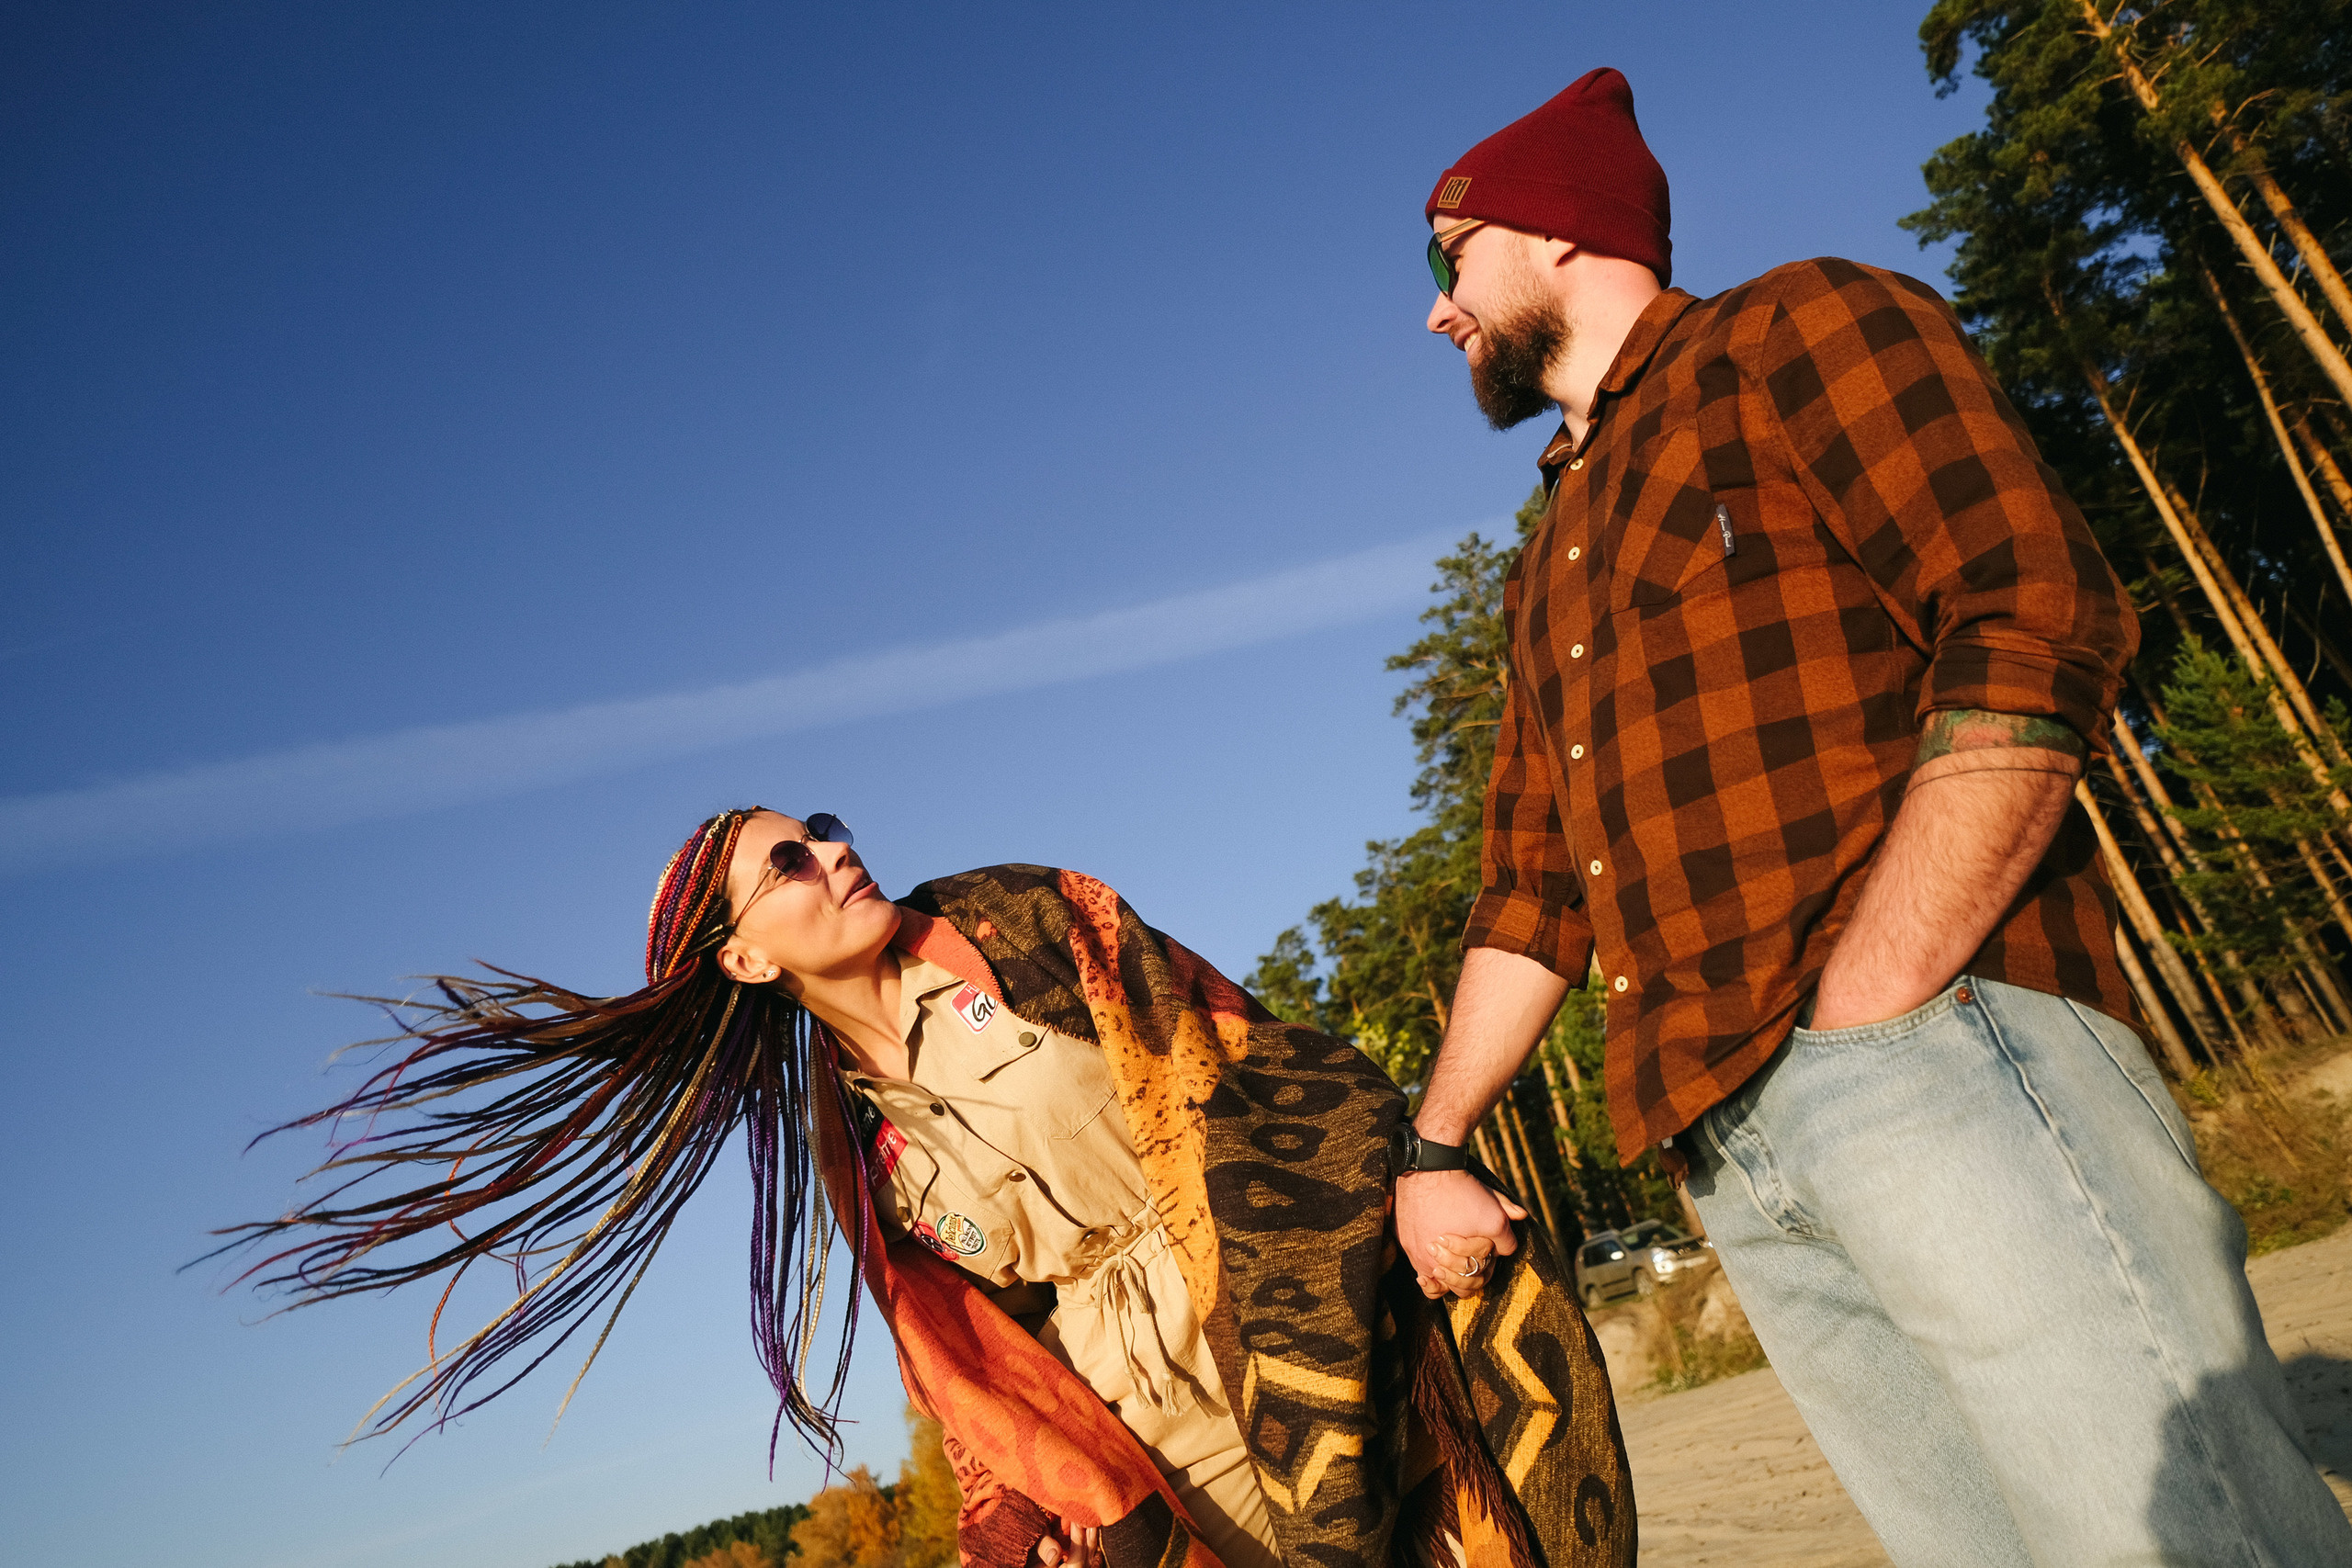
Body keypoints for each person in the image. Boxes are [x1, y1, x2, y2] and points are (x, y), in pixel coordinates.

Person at [1392, 66, 2352, 1567]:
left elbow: (2031, 609)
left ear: (1554, 232)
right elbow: (1534, 892)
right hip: (1728, 1149)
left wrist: (1875, 996)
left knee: (2177, 1541)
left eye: (1449, 260)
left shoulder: (1794, 331)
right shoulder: (1544, 564)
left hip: (1932, 1050)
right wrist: (1434, 1144)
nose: (1437, 311)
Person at [225, 808, 1637, 1568]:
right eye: (790, 862)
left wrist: (1410, 1170)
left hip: (1284, 1305)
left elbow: (1242, 1055)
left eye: (824, 826)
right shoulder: (856, 1147)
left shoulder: (1026, 922)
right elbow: (966, 1360)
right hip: (1146, 1412)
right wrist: (1041, 1509)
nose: (835, 852)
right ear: (745, 960)